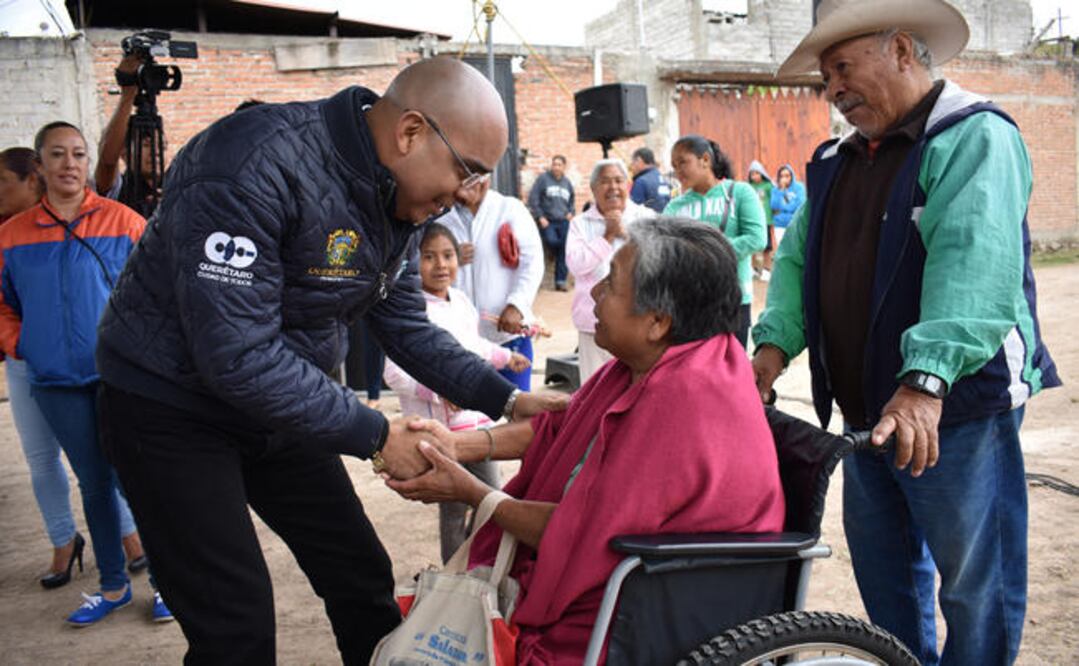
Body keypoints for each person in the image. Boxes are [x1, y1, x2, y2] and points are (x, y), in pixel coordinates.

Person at [94, 57, 562, 664]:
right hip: (171, 408)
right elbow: (236, 354)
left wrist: (509, 399)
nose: (462, 197)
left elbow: (405, 327)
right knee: (234, 624)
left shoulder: (401, 198)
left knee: (360, 576)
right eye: (466, 171)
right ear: (410, 132)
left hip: (283, 400)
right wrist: (374, 433)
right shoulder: (247, 163)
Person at [754, 3, 1060, 663]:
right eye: (824, 76)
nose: (832, 89)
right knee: (886, 576)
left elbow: (972, 261)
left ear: (898, 49)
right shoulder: (836, 160)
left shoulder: (970, 136)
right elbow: (801, 261)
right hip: (868, 411)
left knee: (974, 584)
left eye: (840, 67)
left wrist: (924, 380)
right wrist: (771, 349)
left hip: (950, 408)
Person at [389, 217, 785, 663]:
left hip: (653, 600)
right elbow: (563, 428)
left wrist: (473, 492)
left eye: (611, 284)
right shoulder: (649, 360)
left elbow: (580, 532)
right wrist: (455, 447)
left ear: (656, 321)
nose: (593, 293)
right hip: (627, 571)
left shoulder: (685, 398)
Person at [0, 124, 169, 625]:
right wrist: (23, 344)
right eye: (58, 154)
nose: (70, 164)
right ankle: (113, 586)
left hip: (119, 380)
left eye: (78, 154)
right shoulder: (11, 235)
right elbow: (3, 307)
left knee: (138, 482)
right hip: (54, 384)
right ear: (41, 166)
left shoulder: (125, 222)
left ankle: (165, 584)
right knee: (93, 484)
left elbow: (158, 296)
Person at [383, 223, 530, 563]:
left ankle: (479, 563)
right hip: (438, 433)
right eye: (429, 257)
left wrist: (505, 357)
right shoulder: (409, 310)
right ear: (412, 263)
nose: (440, 265)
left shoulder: (462, 302)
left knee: (491, 498)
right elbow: (394, 373)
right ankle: (454, 572)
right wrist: (439, 389)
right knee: (452, 509)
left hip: (476, 427)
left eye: (447, 255)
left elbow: (474, 347)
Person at [437, 177, 544, 391]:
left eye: (480, 175)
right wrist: (449, 256)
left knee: (515, 410)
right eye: (466, 175)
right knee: (468, 419)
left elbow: (532, 262)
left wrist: (517, 305)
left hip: (506, 338)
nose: (474, 182)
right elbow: (421, 266)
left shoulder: (509, 209)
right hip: (459, 344)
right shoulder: (440, 217)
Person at [664, 135, 766, 347]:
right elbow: (666, 248)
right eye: (674, 166)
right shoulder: (675, 206)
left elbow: (757, 238)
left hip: (733, 300)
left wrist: (707, 253)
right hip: (690, 302)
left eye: (683, 162)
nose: (678, 171)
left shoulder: (739, 192)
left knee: (730, 371)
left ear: (705, 160)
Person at [567, 158, 653, 382]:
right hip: (593, 324)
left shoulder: (646, 218)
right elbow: (576, 264)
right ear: (594, 189)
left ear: (628, 185)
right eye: (605, 182)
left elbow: (657, 263)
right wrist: (607, 236)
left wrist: (627, 236)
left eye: (618, 180)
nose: (613, 187)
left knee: (636, 389)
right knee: (594, 389)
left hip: (637, 321)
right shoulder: (580, 223)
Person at [94, 54, 162, 218]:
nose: (156, 152)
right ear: (124, 153)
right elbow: (107, 161)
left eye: (162, 146)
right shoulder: (118, 188)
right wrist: (128, 93)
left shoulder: (173, 186)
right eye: (146, 145)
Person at [527, 155, 575, 291]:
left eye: (559, 165)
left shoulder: (567, 183)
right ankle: (557, 257)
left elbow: (571, 201)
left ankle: (560, 281)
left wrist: (571, 213)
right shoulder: (543, 179)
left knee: (565, 248)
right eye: (554, 164)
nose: (556, 167)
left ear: (564, 167)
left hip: (564, 221)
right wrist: (540, 217)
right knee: (553, 241)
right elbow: (533, 199)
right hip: (548, 221)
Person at [747, 160, 775, 279]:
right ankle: (753, 269)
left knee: (767, 247)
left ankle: (766, 270)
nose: (755, 176)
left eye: (757, 173)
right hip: (753, 220)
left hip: (766, 220)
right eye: (752, 174)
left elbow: (773, 203)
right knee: (753, 245)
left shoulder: (768, 186)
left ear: (762, 173)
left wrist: (774, 218)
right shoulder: (749, 187)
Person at [769, 164, 804, 245]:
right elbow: (773, 206)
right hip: (780, 224)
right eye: (782, 176)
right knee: (782, 248)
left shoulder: (799, 188)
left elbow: (799, 204)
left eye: (787, 175)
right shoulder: (776, 190)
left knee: (795, 247)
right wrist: (781, 190)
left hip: (794, 223)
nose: (784, 178)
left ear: (792, 176)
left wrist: (784, 208)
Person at [628, 146, 672, 212]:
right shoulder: (663, 179)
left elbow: (633, 210)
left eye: (633, 162)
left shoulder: (641, 182)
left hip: (648, 221)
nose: (632, 167)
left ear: (639, 160)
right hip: (666, 220)